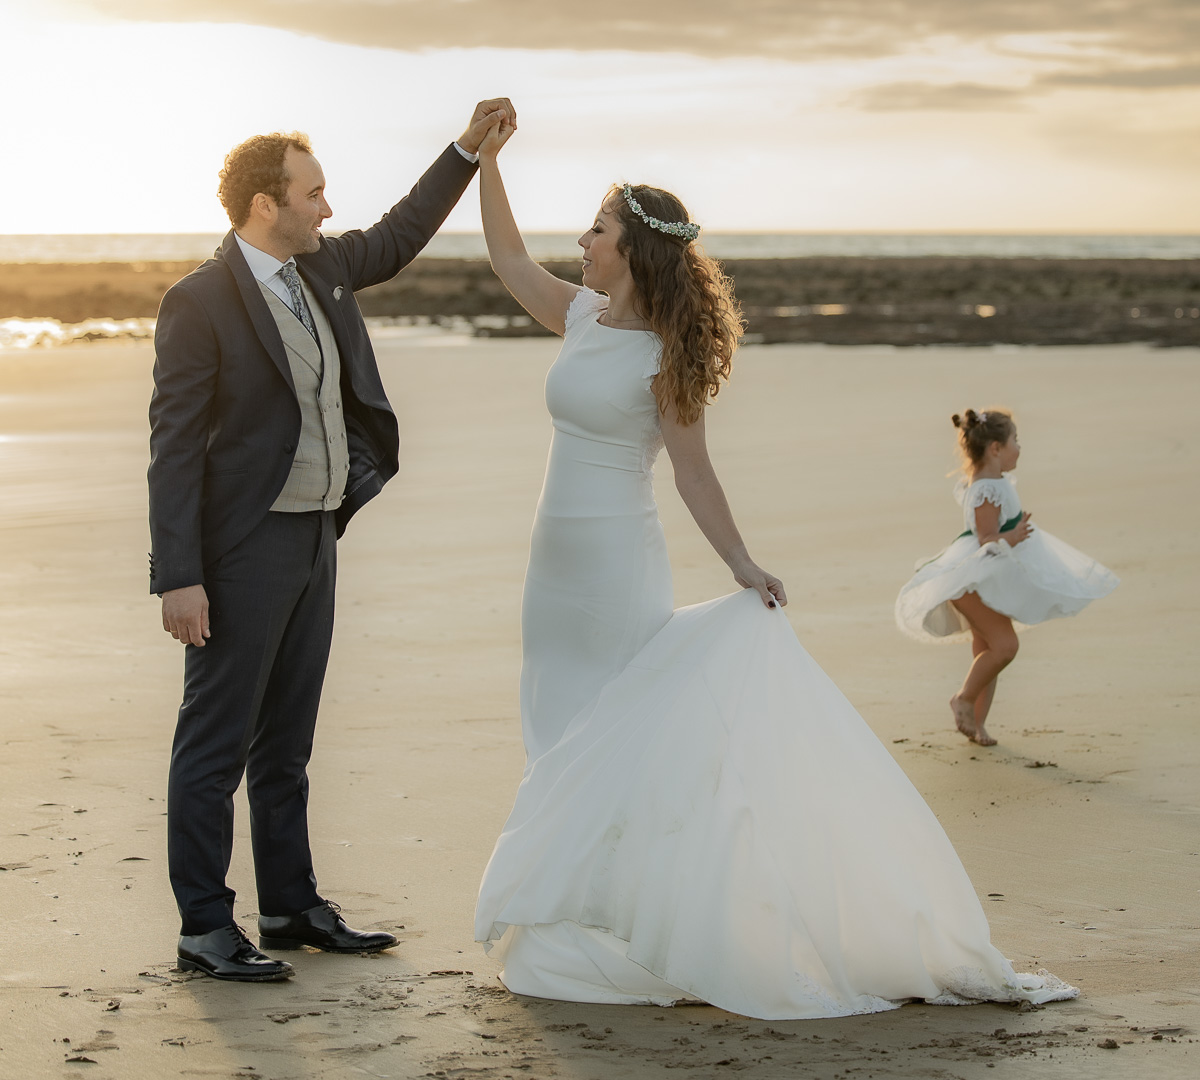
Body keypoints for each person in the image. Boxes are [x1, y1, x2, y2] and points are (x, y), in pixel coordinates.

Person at [471, 120, 1076, 1019]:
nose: (584, 242)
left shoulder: (665, 357)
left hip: (614, 564)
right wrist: (486, 162)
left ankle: (617, 916)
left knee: (612, 732)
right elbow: (506, 257)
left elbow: (695, 474)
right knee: (554, 728)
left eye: (598, 230)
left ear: (632, 247)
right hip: (550, 562)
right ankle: (580, 909)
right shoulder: (580, 314)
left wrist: (743, 563)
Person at [149, 100, 513, 981]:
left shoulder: (325, 269)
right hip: (239, 550)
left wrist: (466, 150)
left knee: (288, 742)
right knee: (216, 744)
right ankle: (205, 925)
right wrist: (179, 577)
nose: (327, 208)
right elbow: (172, 445)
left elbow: (401, 232)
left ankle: (289, 905)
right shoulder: (198, 303)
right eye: (312, 193)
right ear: (265, 205)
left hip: (317, 533)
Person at [895, 408, 1119, 746]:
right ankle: (963, 699)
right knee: (1005, 646)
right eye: (1016, 440)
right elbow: (985, 538)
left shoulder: (996, 482)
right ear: (995, 448)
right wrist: (1011, 538)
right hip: (970, 580)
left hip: (985, 579)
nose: (1020, 447)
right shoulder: (985, 488)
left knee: (987, 649)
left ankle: (977, 723)